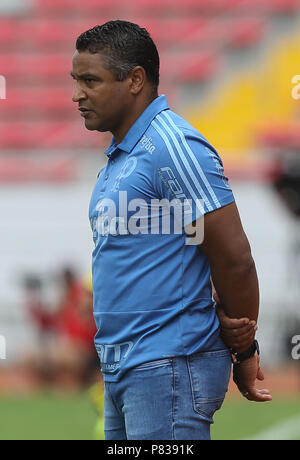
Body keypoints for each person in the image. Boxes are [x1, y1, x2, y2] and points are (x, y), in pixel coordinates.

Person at [71, 20, 272, 440]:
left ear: (135, 80)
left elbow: (233, 256)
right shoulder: (122, 155)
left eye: (90, 80)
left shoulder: (171, 146)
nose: (78, 95)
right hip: (124, 369)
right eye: (76, 81)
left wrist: (245, 348)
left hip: (167, 367)